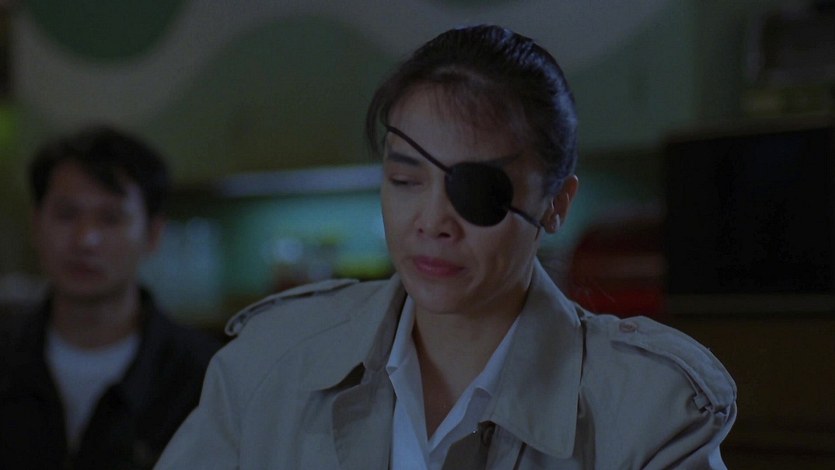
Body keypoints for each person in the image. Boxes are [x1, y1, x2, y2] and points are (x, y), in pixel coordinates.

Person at [156, 25, 737, 469]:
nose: (432, 221)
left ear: (557, 203)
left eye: (477, 191)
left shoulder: (648, 410)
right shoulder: (268, 365)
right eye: (404, 179)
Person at [0, 125, 222, 469]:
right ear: (36, 225)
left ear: (152, 233)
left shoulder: (205, 377)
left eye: (110, 218)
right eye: (66, 214)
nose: (85, 239)